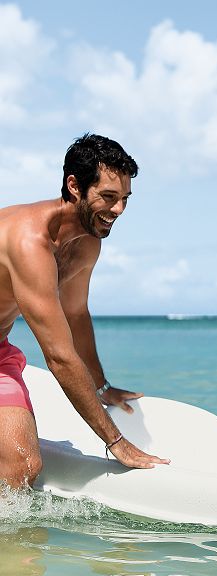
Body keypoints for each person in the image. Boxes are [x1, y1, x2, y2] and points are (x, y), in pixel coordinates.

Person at [0, 133, 168, 489]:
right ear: (74, 186)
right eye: (108, 197)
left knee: (25, 467)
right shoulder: (27, 241)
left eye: (124, 199)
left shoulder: (87, 241)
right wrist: (117, 442)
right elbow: (59, 358)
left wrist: (100, 384)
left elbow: (75, 313)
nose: (119, 210)